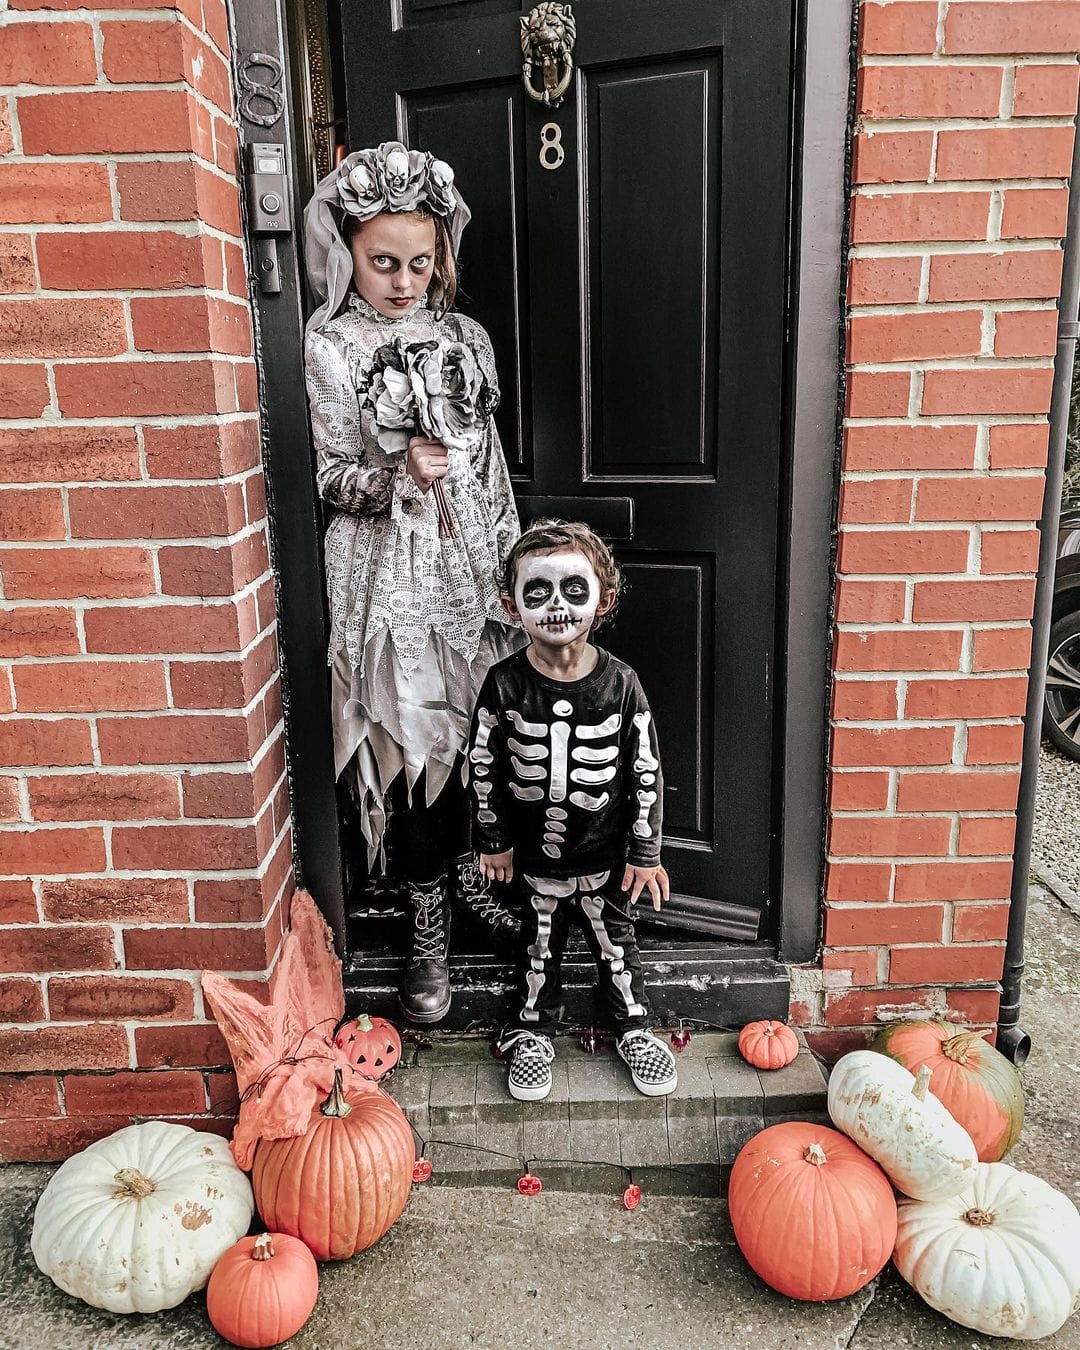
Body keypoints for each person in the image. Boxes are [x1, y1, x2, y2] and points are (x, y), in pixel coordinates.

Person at [302, 142, 525, 1024]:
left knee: (475, 730)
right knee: (409, 737)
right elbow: (324, 475)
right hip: (386, 568)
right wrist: (398, 478)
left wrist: (508, 557)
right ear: (348, 252)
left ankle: (471, 877)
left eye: (419, 263)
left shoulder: (465, 337)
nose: (402, 281)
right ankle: (422, 920)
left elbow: (493, 467)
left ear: (443, 258)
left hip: (466, 558)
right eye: (382, 261)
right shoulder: (329, 346)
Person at [467, 520, 680, 1101]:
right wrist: (493, 839)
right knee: (536, 949)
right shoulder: (504, 684)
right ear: (512, 606)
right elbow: (482, 766)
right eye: (537, 592)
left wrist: (646, 851)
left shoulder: (621, 684)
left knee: (617, 948)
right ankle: (533, 1031)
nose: (556, 606)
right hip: (535, 859)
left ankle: (633, 1026)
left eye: (573, 590)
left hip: (607, 857)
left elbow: (647, 769)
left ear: (603, 599)